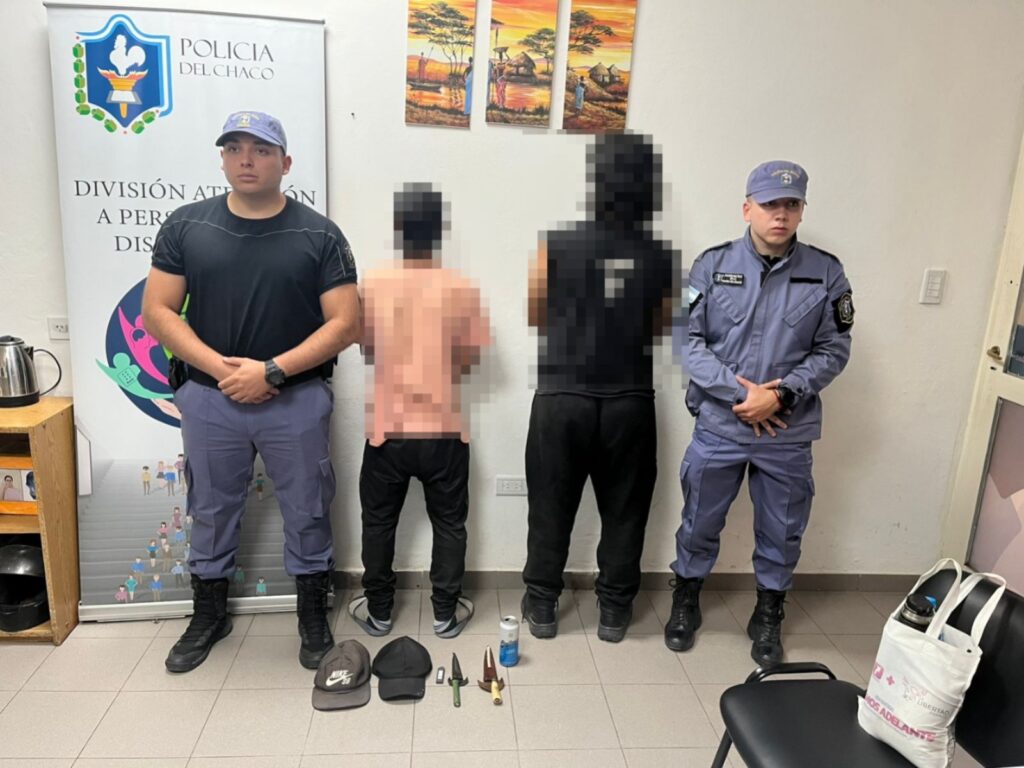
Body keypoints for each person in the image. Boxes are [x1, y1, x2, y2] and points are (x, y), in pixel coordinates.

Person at [142, 110, 360, 673]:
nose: (247, 159)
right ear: (221, 158)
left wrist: (272, 372)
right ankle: (209, 616)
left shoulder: (320, 234)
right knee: (211, 508)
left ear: (285, 163)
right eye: (235, 148)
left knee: (307, 506)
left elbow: (345, 323)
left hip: (296, 399)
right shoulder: (186, 226)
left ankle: (312, 616)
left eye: (261, 150)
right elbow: (158, 311)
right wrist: (222, 370)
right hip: (209, 398)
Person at [664, 161, 854, 665]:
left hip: (786, 429)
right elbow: (688, 341)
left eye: (791, 204)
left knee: (783, 528)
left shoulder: (825, 272)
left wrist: (783, 395)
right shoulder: (711, 265)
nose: (780, 214)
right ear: (747, 208)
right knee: (699, 519)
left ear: (802, 210)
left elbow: (834, 348)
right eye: (770, 204)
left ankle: (768, 613)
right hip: (720, 423)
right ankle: (686, 598)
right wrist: (741, 394)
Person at [521, 133, 679, 643]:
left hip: (561, 396)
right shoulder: (661, 256)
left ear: (596, 181)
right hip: (629, 400)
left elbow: (535, 314)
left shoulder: (555, 243)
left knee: (550, 505)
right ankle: (613, 611)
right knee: (626, 511)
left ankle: (542, 605)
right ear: (649, 186)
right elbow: (660, 327)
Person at [348, 183, 491, 640]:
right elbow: (470, 358)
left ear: (399, 228)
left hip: (387, 431)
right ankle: (445, 614)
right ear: (439, 230)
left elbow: (367, 349)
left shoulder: (373, 283)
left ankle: (379, 612)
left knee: (378, 523)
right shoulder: (461, 287)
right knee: (450, 524)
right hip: (444, 431)